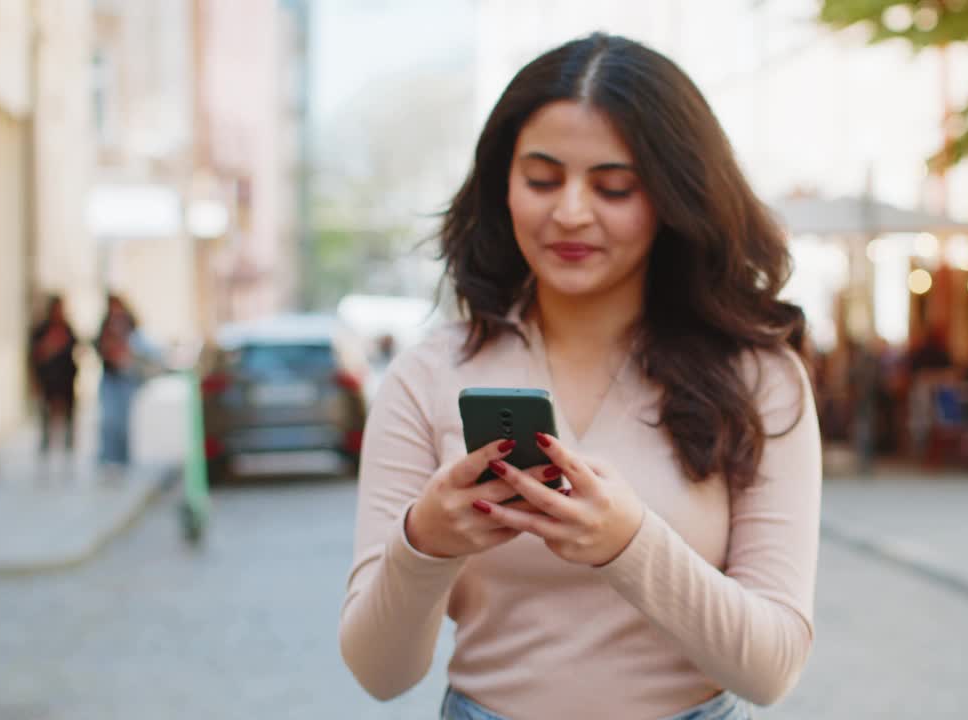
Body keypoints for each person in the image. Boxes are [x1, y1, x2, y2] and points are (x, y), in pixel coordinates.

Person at [339, 34, 822, 720]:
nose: (570, 212)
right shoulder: (428, 375)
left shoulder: (758, 378)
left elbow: (772, 669)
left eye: (613, 186)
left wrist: (630, 544)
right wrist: (424, 542)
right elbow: (378, 673)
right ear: (502, 183)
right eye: (541, 179)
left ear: (674, 196)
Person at [95, 294, 143, 471]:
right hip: (110, 375)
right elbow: (99, 347)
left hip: (126, 377)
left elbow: (138, 347)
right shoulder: (105, 326)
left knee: (122, 421)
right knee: (109, 420)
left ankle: (122, 459)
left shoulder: (130, 325)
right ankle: (108, 458)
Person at [28, 295, 79, 455]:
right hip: (48, 379)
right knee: (46, 413)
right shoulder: (42, 330)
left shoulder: (67, 328)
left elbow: (75, 349)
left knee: (68, 414)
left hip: (65, 379)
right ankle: (46, 444)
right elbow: (34, 356)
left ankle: (68, 445)